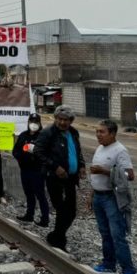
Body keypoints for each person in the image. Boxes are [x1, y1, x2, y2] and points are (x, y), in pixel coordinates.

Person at [87, 119, 137, 274]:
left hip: (112, 198)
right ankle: (108, 264)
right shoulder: (100, 148)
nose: (98, 135)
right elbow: (95, 175)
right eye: (97, 132)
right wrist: (91, 194)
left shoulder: (120, 151)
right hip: (98, 196)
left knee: (118, 235)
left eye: (102, 132)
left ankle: (129, 271)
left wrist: (104, 171)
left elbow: (129, 175)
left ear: (112, 133)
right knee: (105, 233)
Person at [33, 105, 86, 252]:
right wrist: (55, 167)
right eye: (60, 119)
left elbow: (77, 152)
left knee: (72, 212)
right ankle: (59, 242)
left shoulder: (73, 133)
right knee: (62, 210)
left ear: (71, 121)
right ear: (55, 118)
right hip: (54, 178)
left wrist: (81, 165)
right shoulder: (48, 133)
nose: (62, 122)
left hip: (71, 178)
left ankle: (55, 235)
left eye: (66, 120)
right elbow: (38, 152)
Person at [12, 113, 50, 226]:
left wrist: (35, 154)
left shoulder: (43, 136)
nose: (33, 124)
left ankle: (45, 219)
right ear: (28, 122)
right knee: (28, 193)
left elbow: (46, 154)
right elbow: (15, 151)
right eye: (31, 121)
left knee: (40, 195)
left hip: (37, 171)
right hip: (25, 169)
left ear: (39, 123)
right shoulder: (23, 135)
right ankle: (29, 215)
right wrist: (21, 156)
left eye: (36, 122)